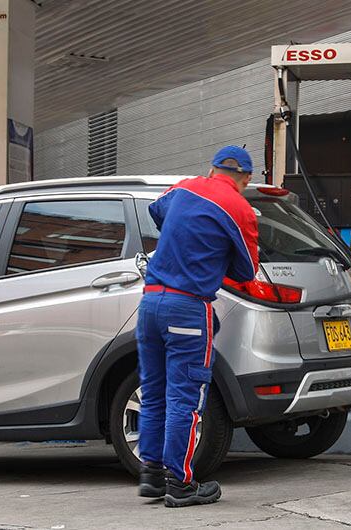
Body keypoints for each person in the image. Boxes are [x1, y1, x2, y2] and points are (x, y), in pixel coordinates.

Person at [136, 146, 259, 508]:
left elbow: (156, 212)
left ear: (212, 168)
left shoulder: (182, 188)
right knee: (185, 399)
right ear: (246, 178)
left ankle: (152, 475)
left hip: (150, 303)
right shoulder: (241, 210)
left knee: (154, 391)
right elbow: (247, 271)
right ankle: (180, 483)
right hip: (188, 308)